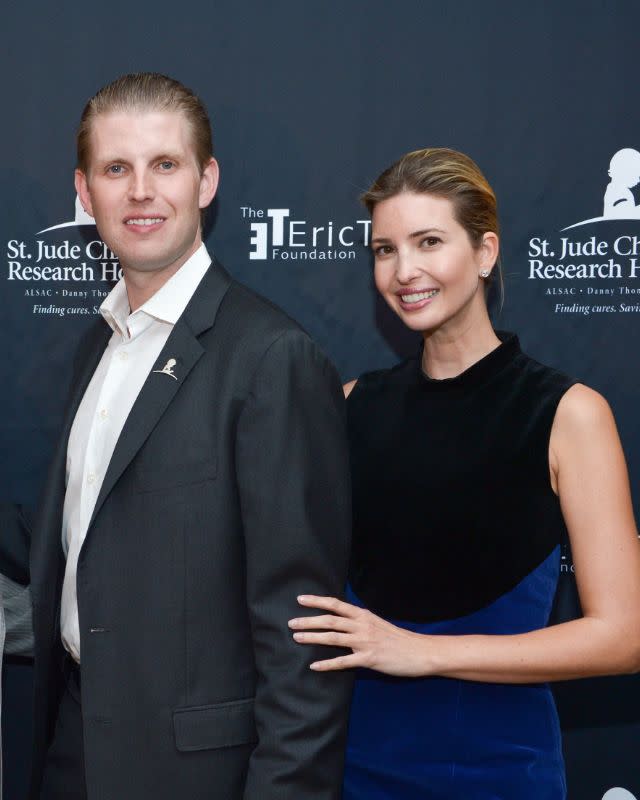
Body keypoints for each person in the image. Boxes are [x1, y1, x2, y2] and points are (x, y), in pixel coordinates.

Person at [27, 73, 352, 800]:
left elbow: (305, 641)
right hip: (73, 748)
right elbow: (92, 533)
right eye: (117, 169)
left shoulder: (271, 358)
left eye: (164, 165)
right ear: (85, 193)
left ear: (206, 181)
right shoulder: (98, 348)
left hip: (199, 775)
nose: (141, 191)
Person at [289, 147, 640, 799]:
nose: (404, 270)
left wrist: (422, 653)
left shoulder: (568, 414)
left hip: (499, 772)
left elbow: (623, 637)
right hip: (353, 768)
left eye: (428, 242)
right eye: (385, 249)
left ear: (484, 253)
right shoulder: (348, 406)